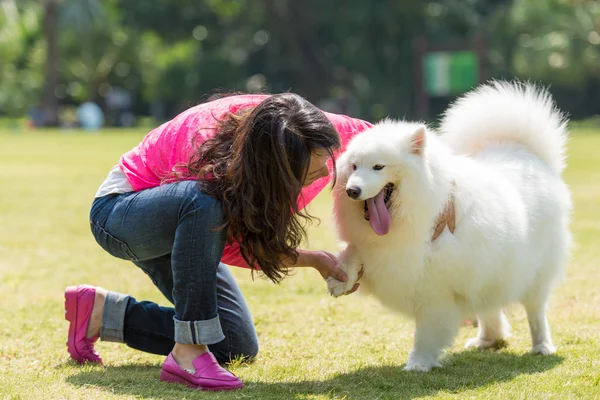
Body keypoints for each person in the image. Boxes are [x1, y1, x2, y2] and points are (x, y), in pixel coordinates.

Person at [65, 93, 454, 391]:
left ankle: (101, 313)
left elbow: (393, 144)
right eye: (313, 165)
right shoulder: (215, 155)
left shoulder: (309, 128)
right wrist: (313, 259)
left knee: (234, 345)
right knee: (204, 202)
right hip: (123, 215)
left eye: (328, 156)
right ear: (275, 164)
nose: (326, 170)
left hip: (189, 229)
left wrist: (448, 191)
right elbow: (233, 242)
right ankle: (187, 352)